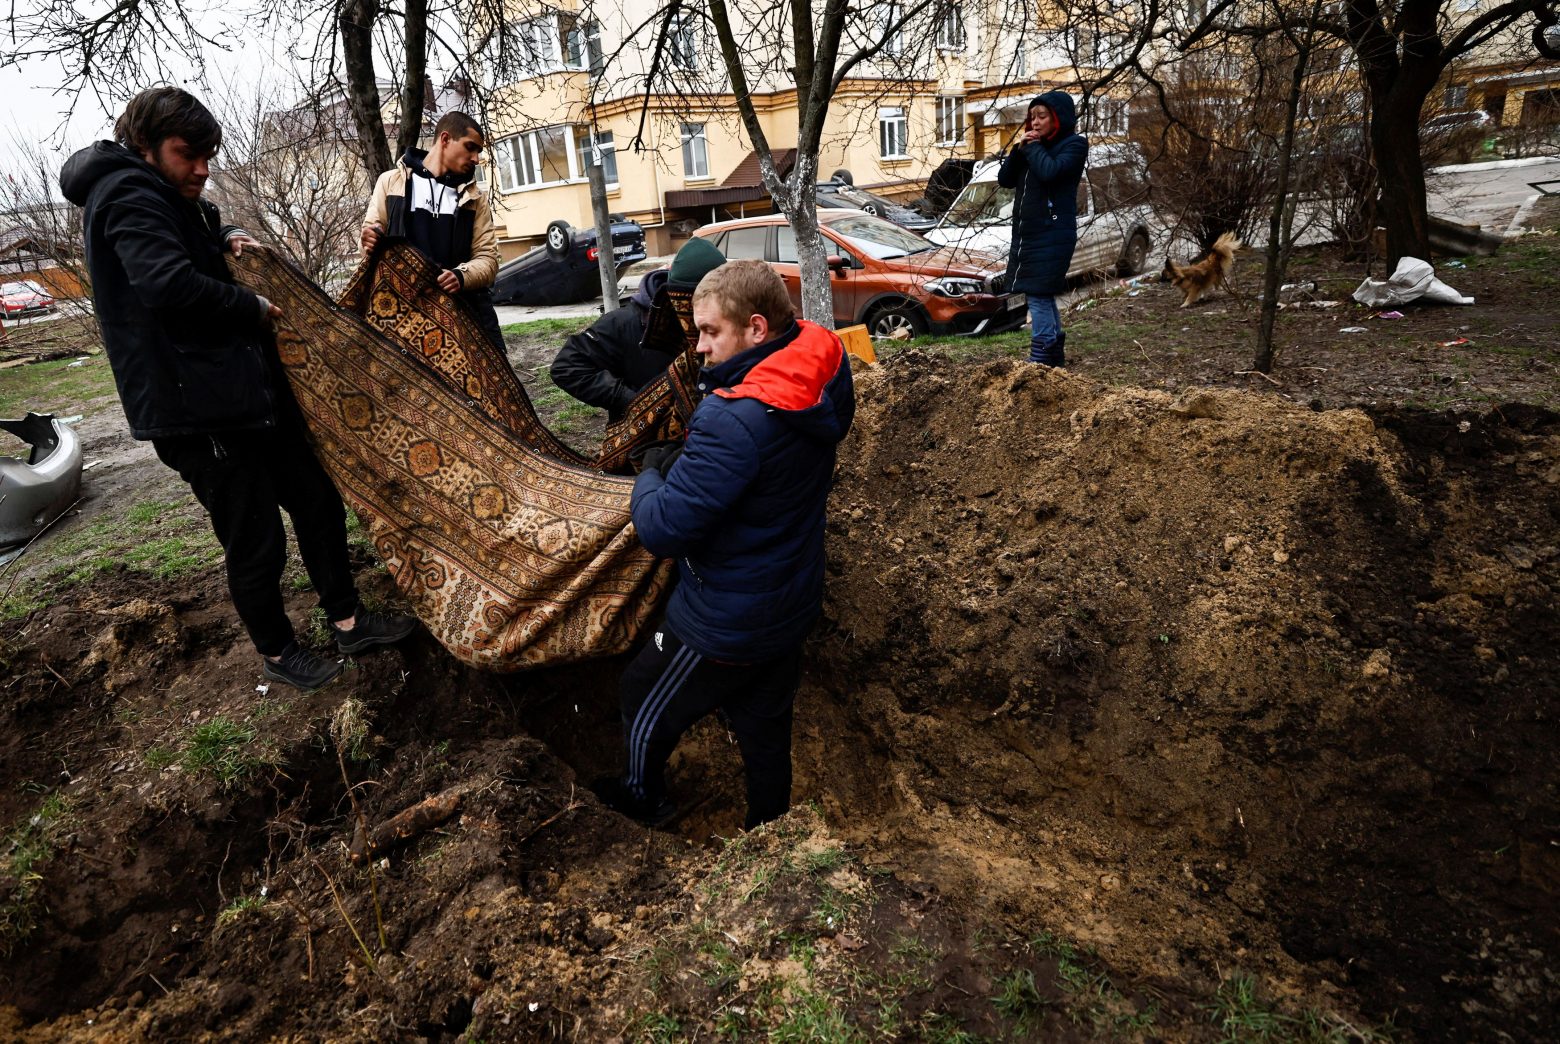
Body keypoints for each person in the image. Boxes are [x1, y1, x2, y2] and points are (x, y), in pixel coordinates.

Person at [60, 87, 416, 692]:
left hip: (238, 392)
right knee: (255, 536)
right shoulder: (124, 191)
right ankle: (278, 651)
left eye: (209, 156)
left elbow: (199, 234)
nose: (202, 168)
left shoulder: (163, 192)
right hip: (194, 408)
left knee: (315, 500)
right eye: (188, 154)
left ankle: (349, 621)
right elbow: (167, 283)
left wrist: (229, 234)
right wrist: (249, 305)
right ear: (145, 144)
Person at [592, 259, 856, 830]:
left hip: (723, 621)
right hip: (789, 599)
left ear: (756, 328)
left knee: (641, 695)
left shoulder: (733, 419)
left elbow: (663, 528)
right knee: (764, 723)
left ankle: (642, 800)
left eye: (710, 332)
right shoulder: (823, 363)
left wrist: (650, 475)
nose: (700, 348)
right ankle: (769, 826)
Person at [360, 111, 504, 348]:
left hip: (461, 318)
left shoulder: (475, 198)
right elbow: (369, 242)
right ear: (445, 139)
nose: (476, 159)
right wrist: (368, 239)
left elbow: (488, 259)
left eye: (478, 151)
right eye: (470, 148)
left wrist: (461, 276)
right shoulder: (391, 182)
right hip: (403, 318)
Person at [550, 238, 727, 422]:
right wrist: (632, 401)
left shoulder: (733, 321)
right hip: (643, 435)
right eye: (689, 307)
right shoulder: (623, 323)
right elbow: (567, 367)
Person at [998, 91, 1088, 368]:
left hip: (1053, 233)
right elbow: (1005, 179)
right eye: (1032, 117)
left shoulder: (1074, 145)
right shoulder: (1031, 148)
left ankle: (1040, 357)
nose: (1035, 123)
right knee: (1041, 294)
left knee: (1037, 294)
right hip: (1029, 234)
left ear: (1057, 118)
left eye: (1041, 116)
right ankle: (1053, 360)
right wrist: (1018, 150)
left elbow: (1051, 172)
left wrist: (1033, 149)